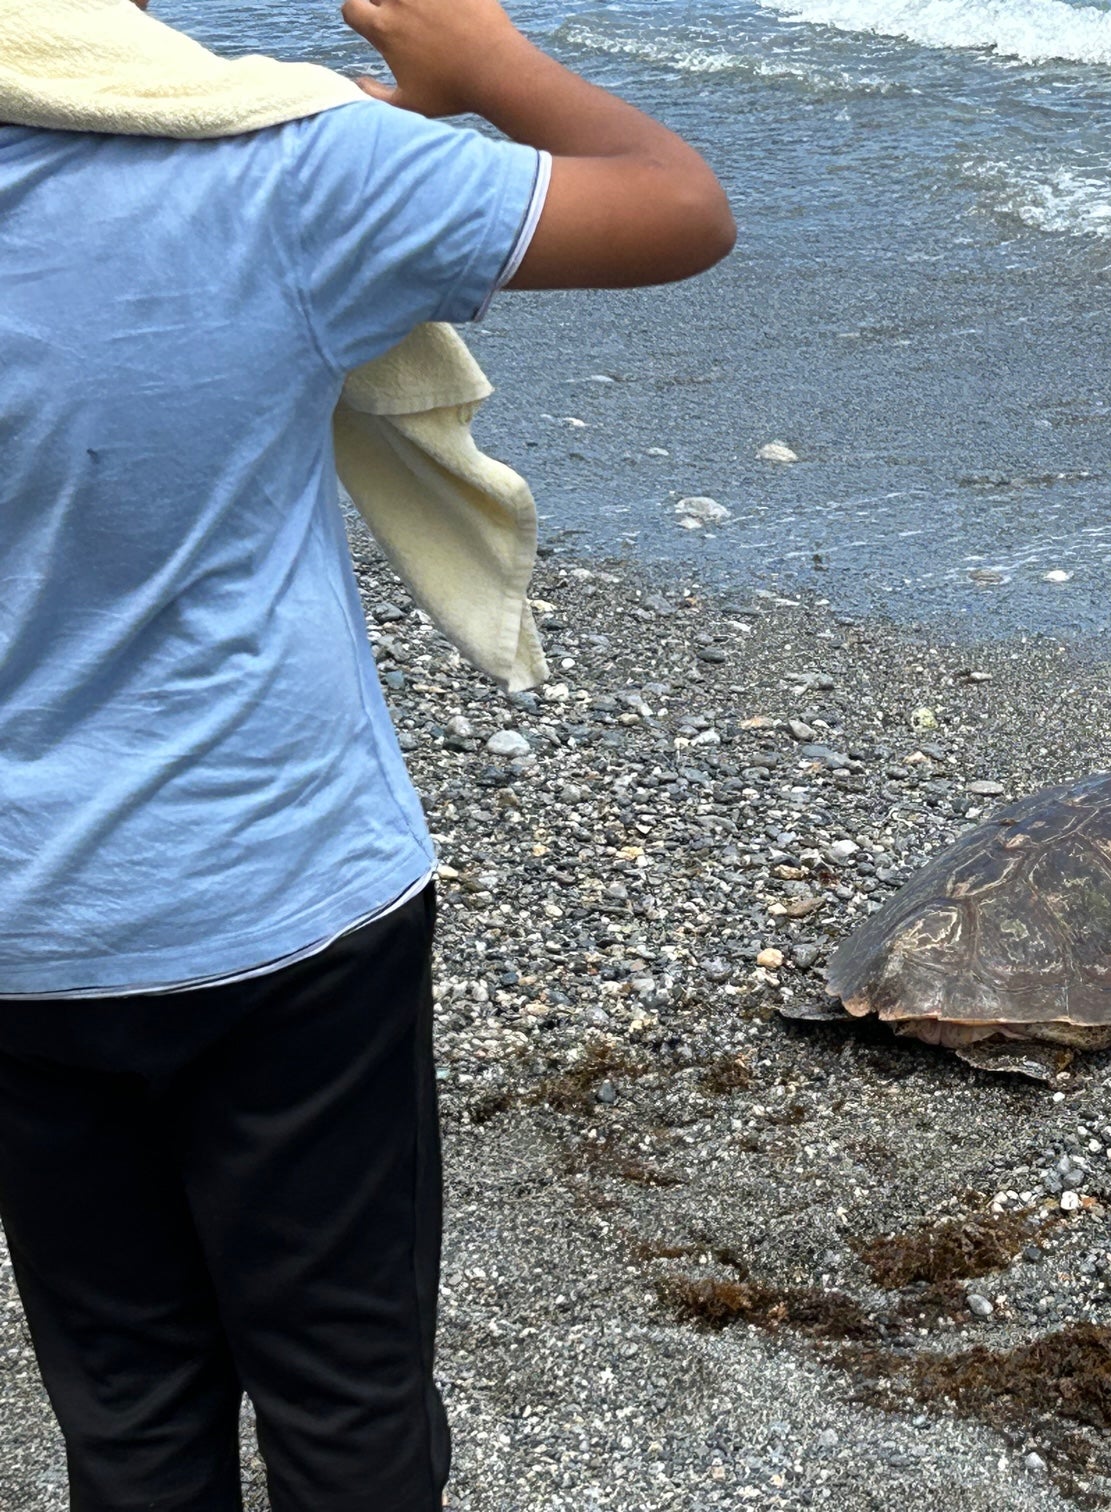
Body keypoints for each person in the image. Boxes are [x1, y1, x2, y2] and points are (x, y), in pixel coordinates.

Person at [0, 0, 733, 1507]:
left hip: (21, 941)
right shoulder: (294, 170)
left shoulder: (289, 148)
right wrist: (481, 69)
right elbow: (677, 207)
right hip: (281, 899)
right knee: (346, 1402)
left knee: (128, 1409)